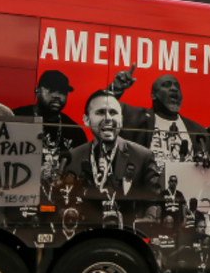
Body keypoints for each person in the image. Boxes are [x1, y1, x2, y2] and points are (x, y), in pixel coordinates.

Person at [63, 90, 161, 228]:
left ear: (121, 120)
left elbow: (154, 201)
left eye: (113, 112)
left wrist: (148, 218)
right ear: (86, 120)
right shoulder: (72, 158)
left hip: (127, 236)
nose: (108, 118)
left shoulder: (143, 157)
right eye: (100, 112)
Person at [108, 67, 210, 170]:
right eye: (166, 85)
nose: (174, 88)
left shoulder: (198, 131)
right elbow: (104, 108)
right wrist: (116, 89)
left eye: (177, 86)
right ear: (153, 95)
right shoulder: (134, 116)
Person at [12, 70, 89, 198]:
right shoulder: (17, 118)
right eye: (51, 90)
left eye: (62, 91)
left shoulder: (74, 130)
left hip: (58, 199)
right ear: (37, 91)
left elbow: (82, 175)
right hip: (19, 195)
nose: (57, 95)